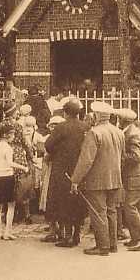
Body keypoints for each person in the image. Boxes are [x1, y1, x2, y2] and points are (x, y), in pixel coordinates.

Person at [71, 101, 125, 256]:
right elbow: (121, 155)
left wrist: (75, 180)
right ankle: (112, 244)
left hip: (97, 180)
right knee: (111, 211)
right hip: (115, 177)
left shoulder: (94, 133)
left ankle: (103, 246)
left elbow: (86, 160)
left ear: (97, 116)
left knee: (98, 212)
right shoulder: (118, 132)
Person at [45, 99, 87, 248]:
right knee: (77, 202)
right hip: (80, 170)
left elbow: (48, 145)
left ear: (66, 112)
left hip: (62, 170)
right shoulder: (85, 126)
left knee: (64, 202)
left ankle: (68, 236)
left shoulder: (61, 127)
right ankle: (76, 235)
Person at [117, 108, 140, 252]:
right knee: (139, 207)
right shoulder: (131, 132)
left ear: (124, 120)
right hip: (137, 177)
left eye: (119, 119)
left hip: (134, 177)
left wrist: (121, 157)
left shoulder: (132, 134)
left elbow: (136, 156)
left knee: (130, 207)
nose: (118, 121)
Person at [0, 122, 29, 240]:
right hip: (7, 176)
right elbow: (9, 163)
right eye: (12, 135)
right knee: (11, 205)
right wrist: (23, 167)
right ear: (7, 135)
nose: (13, 137)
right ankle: (7, 231)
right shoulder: (8, 148)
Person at [2, 100, 34, 224]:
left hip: (5, 156)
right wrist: (30, 156)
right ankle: (26, 214)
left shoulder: (0, 125)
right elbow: (25, 143)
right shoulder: (18, 126)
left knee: (8, 184)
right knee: (23, 185)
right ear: (13, 112)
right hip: (18, 155)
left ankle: (9, 213)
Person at [39, 115, 66, 243]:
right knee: (49, 200)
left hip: (53, 173)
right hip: (50, 172)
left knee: (52, 200)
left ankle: (55, 230)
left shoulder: (54, 140)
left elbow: (47, 157)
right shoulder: (57, 139)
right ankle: (55, 229)